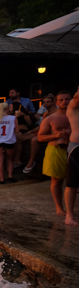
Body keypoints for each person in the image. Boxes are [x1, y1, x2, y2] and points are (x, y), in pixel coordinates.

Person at [37, 91, 72, 217]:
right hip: (56, 149)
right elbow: (40, 137)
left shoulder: (76, 116)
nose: (64, 102)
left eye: (67, 99)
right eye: (61, 100)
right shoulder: (50, 118)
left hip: (73, 149)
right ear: (56, 102)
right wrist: (56, 135)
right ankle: (59, 207)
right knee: (56, 180)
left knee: (73, 181)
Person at [24, 94, 56, 174]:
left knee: (35, 140)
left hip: (54, 133)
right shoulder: (45, 114)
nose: (45, 104)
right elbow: (42, 126)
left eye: (48, 102)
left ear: (53, 102)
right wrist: (31, 131)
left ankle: (31, 161)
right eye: (44, 102)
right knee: (25, 136)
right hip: (45, 132)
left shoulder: (57, 112)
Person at [0, 103, 19, 184]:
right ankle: (10, 176)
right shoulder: (13, 118)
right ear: (7, 109)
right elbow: (17, 131)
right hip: (9, 140)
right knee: (10, 159)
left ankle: (1, 179)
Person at [65, 86, 79, 226]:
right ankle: (69, 215)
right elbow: (76, 98)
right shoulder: (73, 107)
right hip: (76, 147)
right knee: (72, 183)